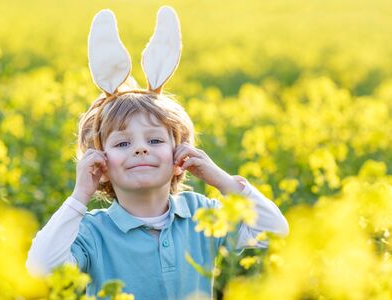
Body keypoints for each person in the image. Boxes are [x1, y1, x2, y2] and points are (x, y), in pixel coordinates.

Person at [26, 6, 289, 300]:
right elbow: (40, 269)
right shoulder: (93, 231)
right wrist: (79, 196)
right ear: (101, 164)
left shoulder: (201, 215)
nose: (140, 148)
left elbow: (274, 231)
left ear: (180, 156)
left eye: (154, 141)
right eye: (122, 144)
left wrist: (221, 180)